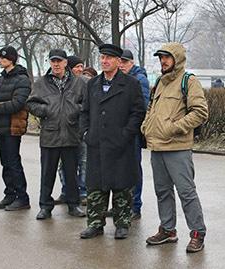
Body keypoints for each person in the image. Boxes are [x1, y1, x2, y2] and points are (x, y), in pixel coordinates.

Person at [141, 42, 208, 253]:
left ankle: (197, 233)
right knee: (162, 191)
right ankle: (168, 230)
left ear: (177, 59)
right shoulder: (160, 82)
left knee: (186, 192)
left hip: (177, 147)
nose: (163, 61)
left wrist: (174, 128)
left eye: (167, 57)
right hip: (157, 146)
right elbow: (152, 107)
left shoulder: (189, 81)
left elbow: (200, 112)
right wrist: (146, 126)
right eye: (161, 57)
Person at [79, 44, 145, 240]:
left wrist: (126, 134)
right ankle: (95, 224)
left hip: (120, 144)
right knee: (95, 186)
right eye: (102, 57)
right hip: (96, 144)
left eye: (109, 58)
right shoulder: (92, 84)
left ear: (118, 61)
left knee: (121, 186)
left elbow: (138, 112)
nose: (104, 61)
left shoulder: (130, 84)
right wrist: (85, 133)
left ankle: (122, 223)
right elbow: (84, 111)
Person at [26, 49, 86, 220]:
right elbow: (30, 103)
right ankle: (45, 206)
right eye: (53, 61)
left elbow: (86, 104)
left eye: (59, 61)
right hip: (50, 135)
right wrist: (45, 110)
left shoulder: (79, 83)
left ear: (66, 63)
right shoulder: (41, 83)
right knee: (47, 173)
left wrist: (76, 110)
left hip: (71, 134)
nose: (56, 64)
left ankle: (73, 205)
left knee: (71, 173)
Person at [0, 46, 31, 211]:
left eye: (3, 58)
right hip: (1, 126)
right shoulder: (1, 78)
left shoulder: (22, 79)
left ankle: (22, 197)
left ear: (11, 59)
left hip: (13, 126)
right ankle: (9, 193)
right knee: (5, 163)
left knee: (13, 162)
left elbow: (17, 104)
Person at [118, 49, 150, 220]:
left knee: (133, 170)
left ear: (132, 63)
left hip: (133, 133)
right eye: (120, 62)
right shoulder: (121, 78)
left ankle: (135, 207)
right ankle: (123, 205)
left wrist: (130, 127)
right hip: (120, 132)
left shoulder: (139, 80)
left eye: (125, 62)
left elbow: (142, 108)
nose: (121, 65)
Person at [54, 55, 87, 206]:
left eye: (82, 66)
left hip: (82, 129)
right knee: (65, 164)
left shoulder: (86, 83)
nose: (80, 69)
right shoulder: (61, 84)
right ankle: (66, 190)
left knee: (83, 161)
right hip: (65, 130)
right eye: (77, 67)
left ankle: (82, 191)